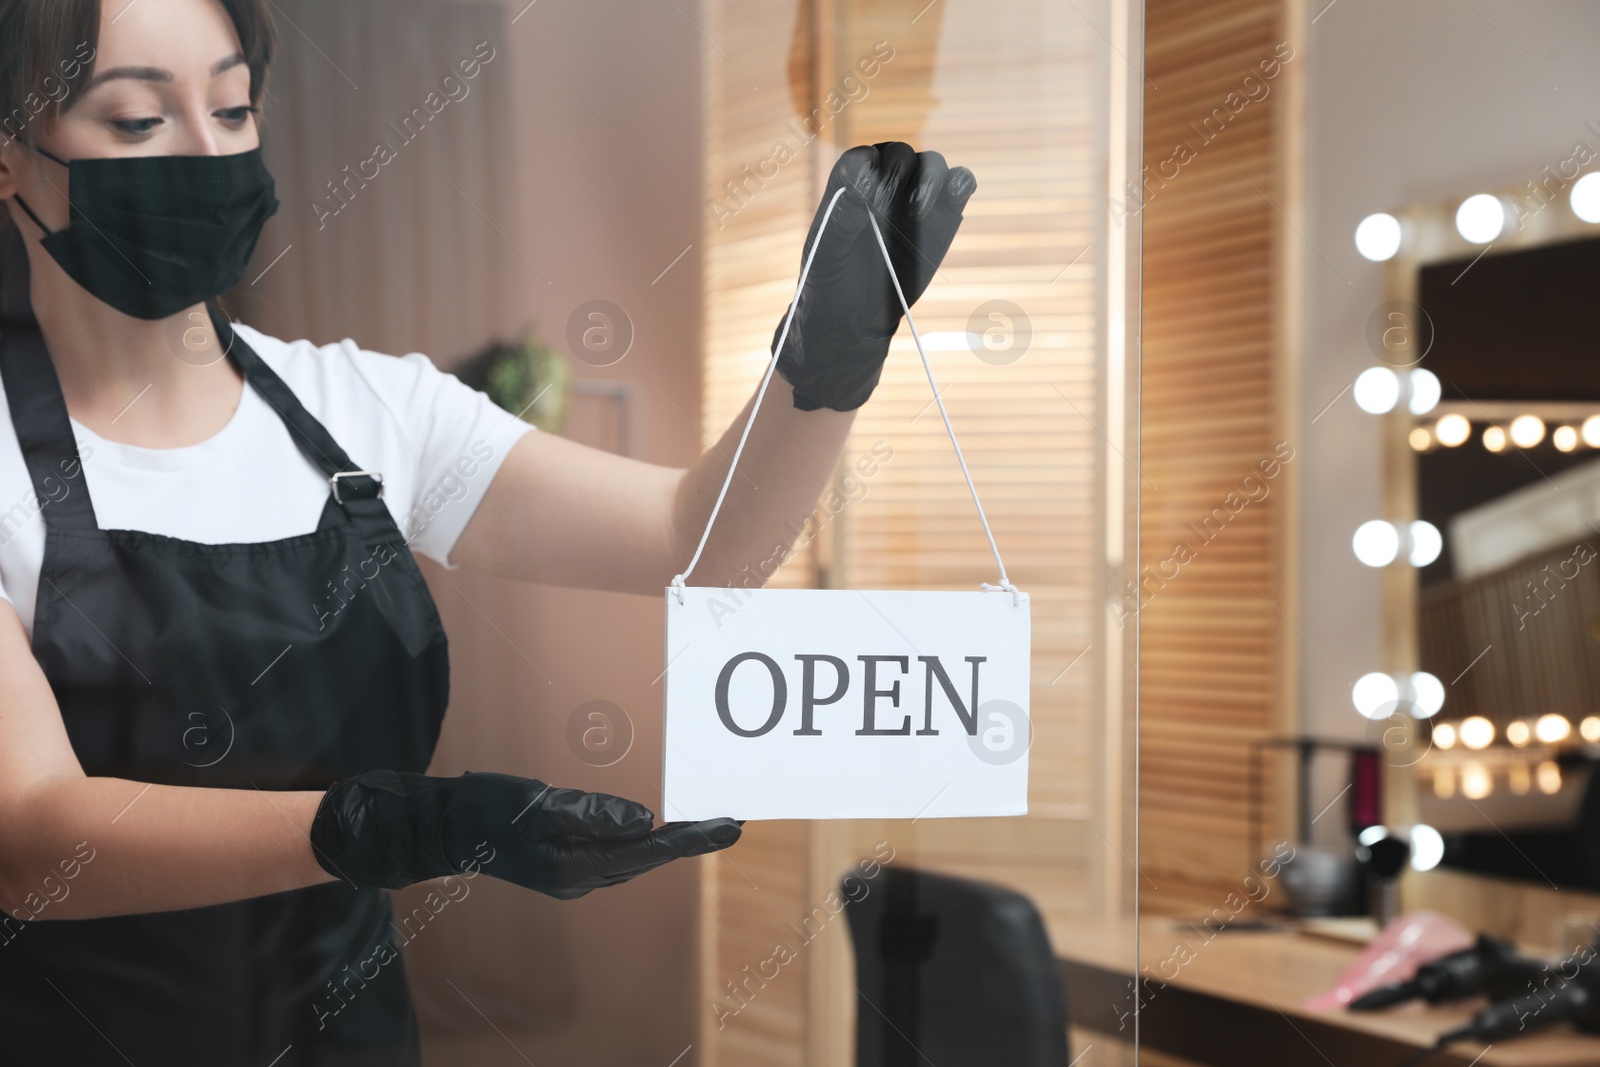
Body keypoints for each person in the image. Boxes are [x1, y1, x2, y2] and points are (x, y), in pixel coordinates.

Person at [0, 0, 974, 1063]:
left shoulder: (369, 410)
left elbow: (699, 543)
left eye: (232, 108)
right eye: (139, 122)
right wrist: (397, 826)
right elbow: (33, 834)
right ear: (10, 155)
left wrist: (823, 363)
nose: (205, 149)